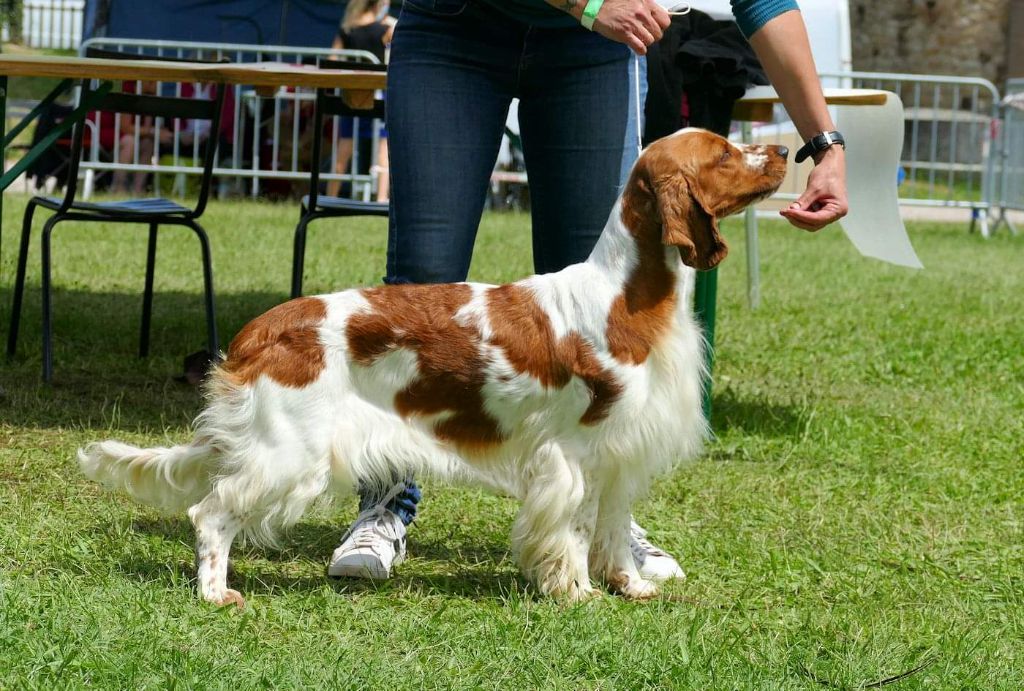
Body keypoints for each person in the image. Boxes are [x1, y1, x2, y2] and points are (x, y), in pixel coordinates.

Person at [328, 0, 848, 581]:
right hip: (455, 27)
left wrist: (824, 143)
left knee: (602, 302)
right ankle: (385, 501)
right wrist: (590, 3)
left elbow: (764, 2)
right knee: (421, 283)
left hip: (592, 52)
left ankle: (604, 522)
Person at [327, 0, 394, 200]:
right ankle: (381, 198)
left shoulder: (347, 29)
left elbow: (332, 59)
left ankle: (331, 195)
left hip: (352, 93)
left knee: (343, 152)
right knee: (384, 148)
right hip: (379, 94)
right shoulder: (386, 29)